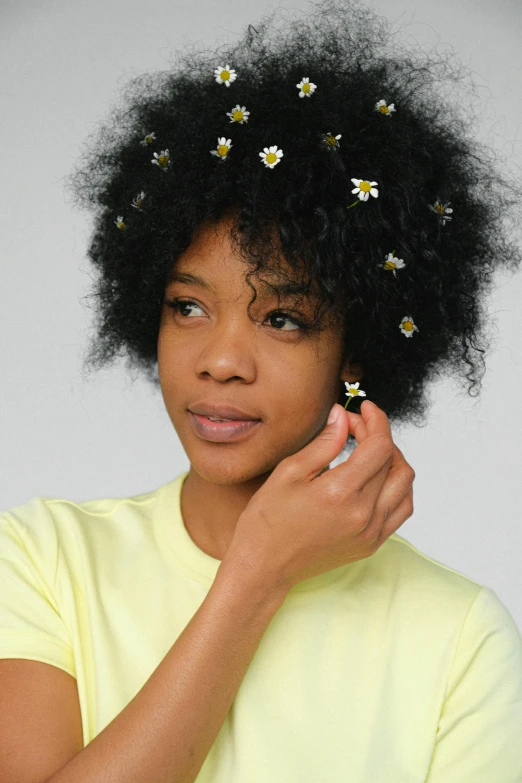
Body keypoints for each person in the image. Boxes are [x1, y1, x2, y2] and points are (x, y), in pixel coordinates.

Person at [1, 0, 522, 781]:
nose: (220, 361)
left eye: (282, 317)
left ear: (357, 348)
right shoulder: (44, 559)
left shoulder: (458, 633)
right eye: (188, 307)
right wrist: (256, 573)